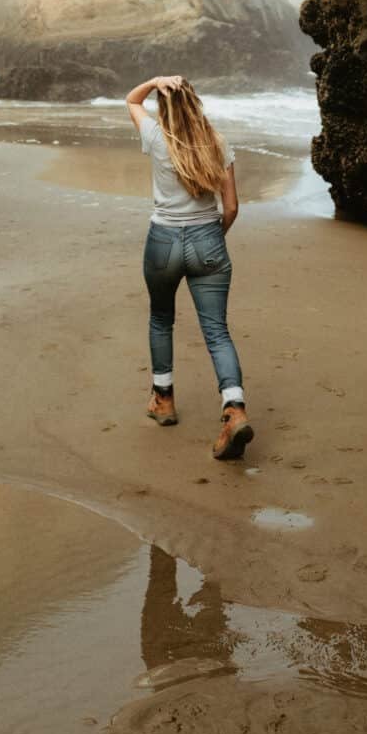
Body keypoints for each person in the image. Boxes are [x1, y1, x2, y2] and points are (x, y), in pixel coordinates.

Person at [125, 74, 253, 460]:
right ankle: (234, 409)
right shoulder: (217, 142)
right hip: (207, 241)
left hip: (163, 242)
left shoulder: (155, 136)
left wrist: (152, 82)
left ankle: (163, 401)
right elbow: (230, 208)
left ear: (164, 108)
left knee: (161, 318)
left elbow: (132, 100)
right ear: (196, 103)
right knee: (216, 331)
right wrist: (212, 239)